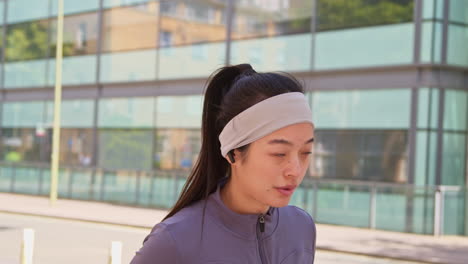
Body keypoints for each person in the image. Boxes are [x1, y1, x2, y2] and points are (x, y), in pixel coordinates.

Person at [131, 64, 316, 263]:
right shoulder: (175, 241)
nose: (295, 170)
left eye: (305, 152)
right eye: (279, 154)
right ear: (233, 153)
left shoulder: (301, 227)